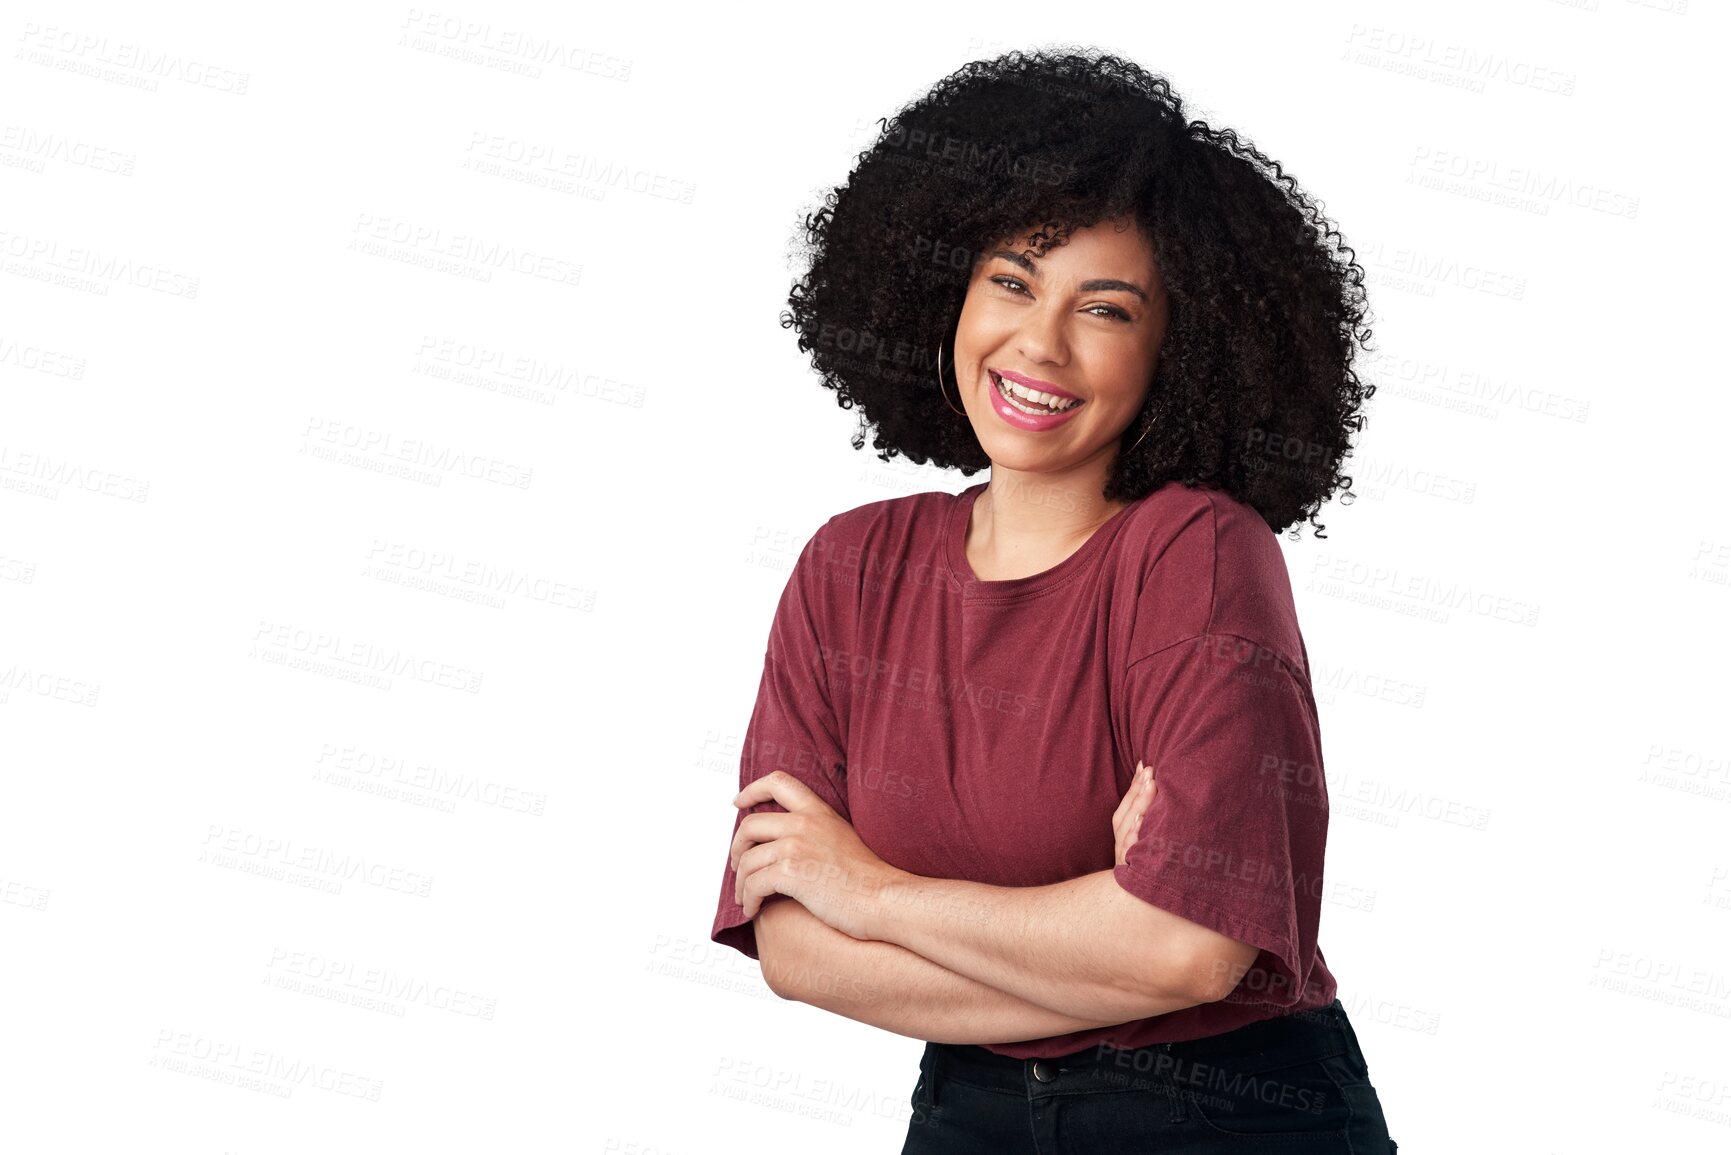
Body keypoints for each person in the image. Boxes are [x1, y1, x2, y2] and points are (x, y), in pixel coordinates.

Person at [709, 47, 1397, 1153]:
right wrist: (1105, 932)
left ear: (1181, 348)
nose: (1041, 343)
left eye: (1108, 309)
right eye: (1014, 281)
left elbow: (1190, 953)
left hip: (1226, 1115)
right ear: (949, 288)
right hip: (967, 1116)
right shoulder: (851, 569)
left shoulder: (1198, 554)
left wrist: (874, 894)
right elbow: (794, 947)